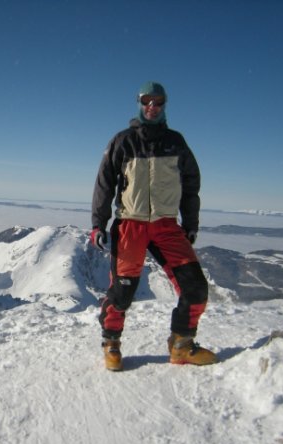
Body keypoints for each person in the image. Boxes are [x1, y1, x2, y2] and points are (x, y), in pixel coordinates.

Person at [90, 81, 217, 371]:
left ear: (164, 105)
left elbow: (191, 186)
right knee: (121, 294)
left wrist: (191, 223)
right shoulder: (122, 141)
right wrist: (98, 224)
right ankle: (111, 342)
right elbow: (104, 185)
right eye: (147, 101)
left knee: (195, 288)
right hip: (130, 226)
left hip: (167, 226)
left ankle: (182, 345)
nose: (152, 106)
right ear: (139, 103)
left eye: (158, 102)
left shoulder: (176, 142)